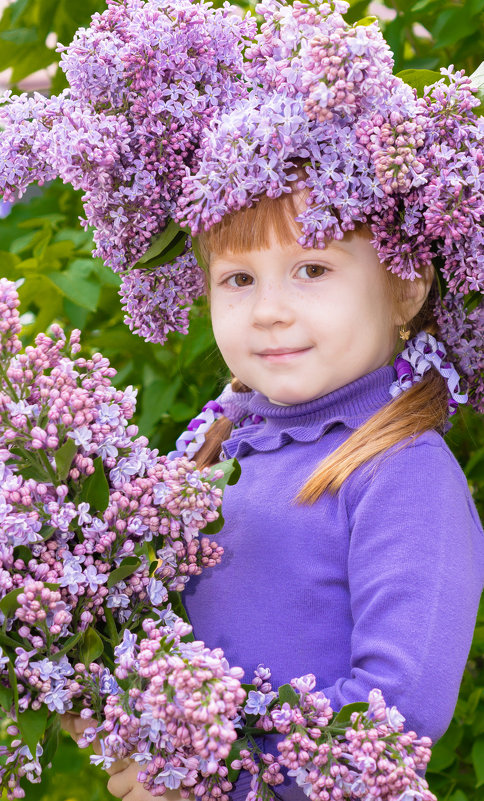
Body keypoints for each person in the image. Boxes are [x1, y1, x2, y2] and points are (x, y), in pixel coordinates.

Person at [60, 2, 484, 799]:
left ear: (405, 284)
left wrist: (208, 785)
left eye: (313, 270)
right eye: (239, 279)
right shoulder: (214, 447)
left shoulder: (402, 477)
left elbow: (394, 724)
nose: (269, 310)